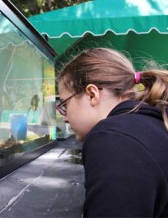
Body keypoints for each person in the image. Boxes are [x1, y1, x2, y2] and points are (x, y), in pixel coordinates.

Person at [56, 47, 168, 217]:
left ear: (92, 94)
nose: (65, 117)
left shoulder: (113, 138)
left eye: (65, 104)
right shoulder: (150, 124)